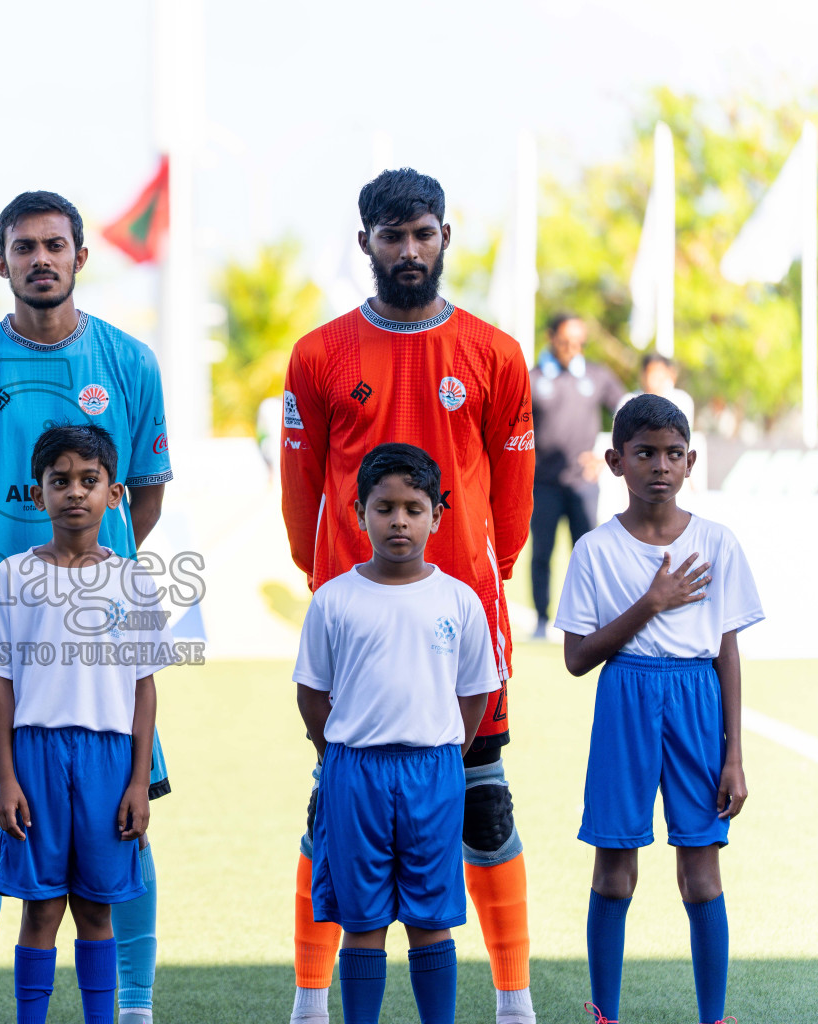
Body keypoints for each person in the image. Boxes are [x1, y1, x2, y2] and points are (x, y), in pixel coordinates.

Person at [280, 169, 537, 1024]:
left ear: (444, 237)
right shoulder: (319, 354)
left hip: (458, 609)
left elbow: (515, 487)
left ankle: (512, 996)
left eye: (422, 233)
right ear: (365, 244)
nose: (409, 250)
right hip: (357, 617)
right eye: (391, 236)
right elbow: (301, 479)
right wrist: (327, 581)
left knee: (485, 804)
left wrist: (480, 575)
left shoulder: (494, 353)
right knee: (335, 805)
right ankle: (311, 1000)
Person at [0, 191, 173, 1024]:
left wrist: (90, 576)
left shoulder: (131, 363)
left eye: (55, 245)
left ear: (78, 257)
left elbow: (146, 494)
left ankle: (131, 1003)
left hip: (104, 632)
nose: (41, 259)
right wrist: (8, 569)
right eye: (23, 247)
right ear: (0, 263)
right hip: (5, 621)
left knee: (124, 817)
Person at [555, 395, 762, 1024]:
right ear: (617, 461)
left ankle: (714, 1015)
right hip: (626, 698)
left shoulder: (717, 542)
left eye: (674, 454)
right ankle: (605, 1013)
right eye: (645, 453)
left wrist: (734, 755)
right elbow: (576, 657)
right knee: (615, 868)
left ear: (691, 460)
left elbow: (726, 651)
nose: (660, 466)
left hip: (697, 702)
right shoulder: (595, 550)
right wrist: (651, 603)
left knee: (700, 872)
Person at [0, 423, 175, 1024]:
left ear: (115, 494)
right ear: (38, 495)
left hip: (108, 761)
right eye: (59, 481)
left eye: (90, 481)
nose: (75, 492)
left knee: (96, 908)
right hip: (34, 758)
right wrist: (5, 780)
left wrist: (139, 783)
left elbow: (144, 689)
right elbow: (0, 685)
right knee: (39, 909)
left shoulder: (133, 581)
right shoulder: (11, 576)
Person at [295, 443, 499, 1024]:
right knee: (362, 920)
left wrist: (445, 751)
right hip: (354, 771)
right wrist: (335, 754)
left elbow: (475, 692)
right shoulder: (334, 599)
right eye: (385, 508)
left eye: (414, 507)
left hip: (433, 771)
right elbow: (312, 694)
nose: (399, 521)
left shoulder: (458, 600)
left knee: (431, 919)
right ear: (358, 511)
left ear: (437, 514)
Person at [529, 312, 626, 640]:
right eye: (567, 341)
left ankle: (589, 622)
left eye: (579, 343)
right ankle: (541, 620)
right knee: (541, 552)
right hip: (542, 483)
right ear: (551, 338)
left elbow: (629, 413)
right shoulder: (533, 377)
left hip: (583, 483)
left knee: (586, 554)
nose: (573, 348)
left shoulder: (598, 376)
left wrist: (606, 454)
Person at [621, 352, 695, 425]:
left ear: (670, 373)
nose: (653, 380)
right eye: (651, 373)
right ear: (643, 374)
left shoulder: (682, 400)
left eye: (658, 374)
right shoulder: (628, 402)